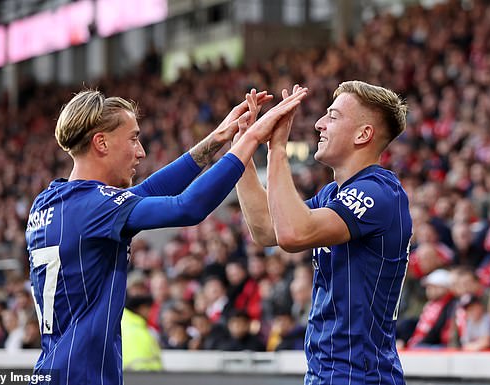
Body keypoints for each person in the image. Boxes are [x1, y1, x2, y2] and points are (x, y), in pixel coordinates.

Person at [25, 87, 307, 384]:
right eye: (133, 138)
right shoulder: (96, 207)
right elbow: (188, 208)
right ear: (101, 143)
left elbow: (147, 191)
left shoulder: (50, 202)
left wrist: (217, 139)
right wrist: (249, 140)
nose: (141, 151)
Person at [237, 81, 411, 384]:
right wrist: (243, 147)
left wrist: (278, 148)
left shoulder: (380, 193)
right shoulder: (334, 194)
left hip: (360, 377)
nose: (319, 124)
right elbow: (267, 229)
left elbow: (292, 234)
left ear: (363, 134)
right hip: (327, 373)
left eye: (333, 116)